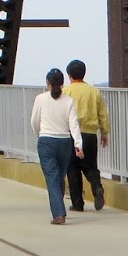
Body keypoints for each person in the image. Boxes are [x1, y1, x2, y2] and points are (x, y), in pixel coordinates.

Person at [29, 68, 82, 225]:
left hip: (46, 140)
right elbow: (74, 124)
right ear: (62, 83)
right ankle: (60, 208)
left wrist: (39, 134)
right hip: (64, 142)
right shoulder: (68, 101)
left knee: (52, 177)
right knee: (59, 176)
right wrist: (78, 144)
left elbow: (34, 121)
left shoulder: (40, 99)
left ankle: (59, 214)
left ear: (48, 83)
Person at [63, 59, 109, 211]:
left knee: (73, 169)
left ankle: (78, 204)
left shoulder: (66, 92)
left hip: (71, 135)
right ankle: (97, 187)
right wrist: (104, 132)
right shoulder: (94, 91)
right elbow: (103, 114)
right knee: (90, 166)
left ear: (69, 75)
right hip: (90, 135)